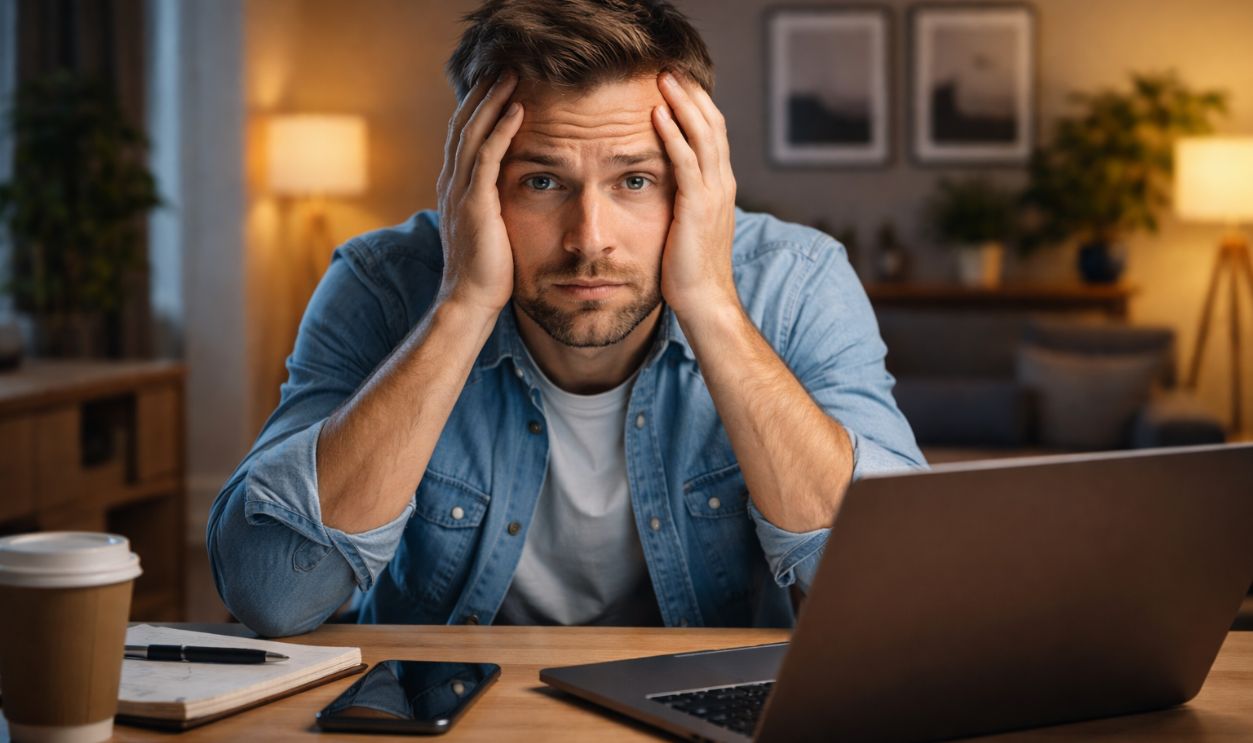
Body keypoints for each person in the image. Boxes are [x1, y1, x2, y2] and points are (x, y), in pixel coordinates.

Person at [208, 0, 924, 637]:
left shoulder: (797, 281)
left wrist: (710, 301)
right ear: (472, 180)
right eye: (541, 181)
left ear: (700, 184)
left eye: (636, 181)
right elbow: (274, 592)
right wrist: (461, 304)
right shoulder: (382, 284)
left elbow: (897, 592)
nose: (588, 238)